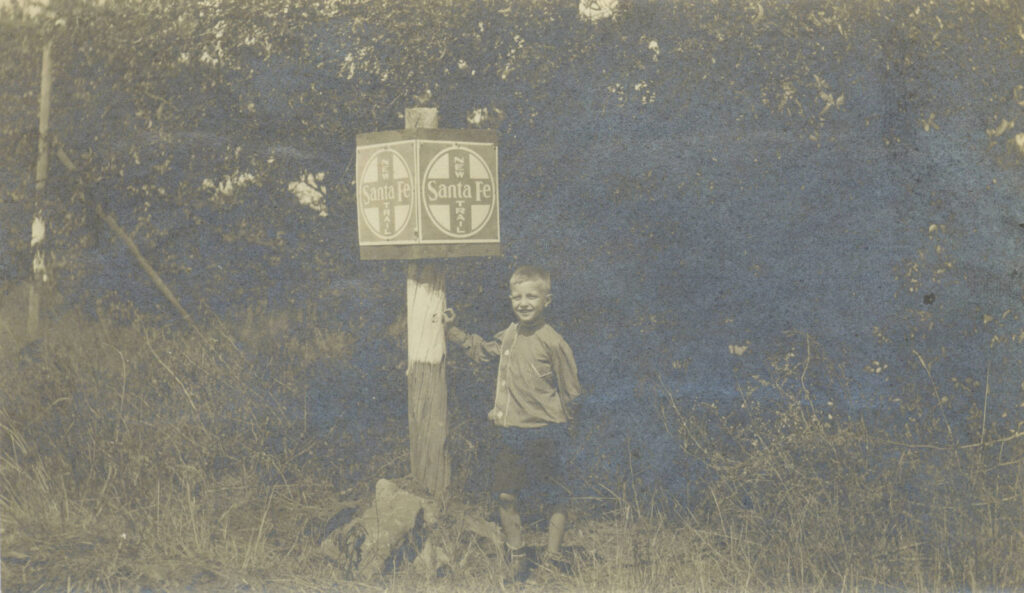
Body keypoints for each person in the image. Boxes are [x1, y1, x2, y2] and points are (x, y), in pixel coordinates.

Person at [447, 265, 582, 581]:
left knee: (555, 495)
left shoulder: (553, 342)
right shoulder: (508, 335)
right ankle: (517, 559)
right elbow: (482, 351)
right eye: (517, 296)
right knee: (506, 495)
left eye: (532, 296)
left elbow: (572, 392)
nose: (524, 303)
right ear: (510, 299)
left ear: (546, 300)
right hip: (511, 433)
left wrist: (570, 430)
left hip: (549, 432)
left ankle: (552, 560)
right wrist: (452, 331)